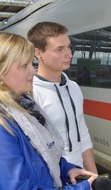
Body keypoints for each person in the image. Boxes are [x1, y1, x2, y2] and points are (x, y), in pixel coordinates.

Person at [0, 32, 98, 189]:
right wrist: (79, 188)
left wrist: (66, 168)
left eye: (31, 64)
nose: (33, 71)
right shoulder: (5, 122)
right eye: (24, 65)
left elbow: (44, 153)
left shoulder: (26, 103)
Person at [27, 21, 98, 174]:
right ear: (38, 53)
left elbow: (82, 133)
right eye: (60, 49)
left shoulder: (73, 88)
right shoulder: (30, 93)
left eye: (68, 46)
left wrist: (94, 176)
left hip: (79, 175)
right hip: (53, 177)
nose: (69, 54)